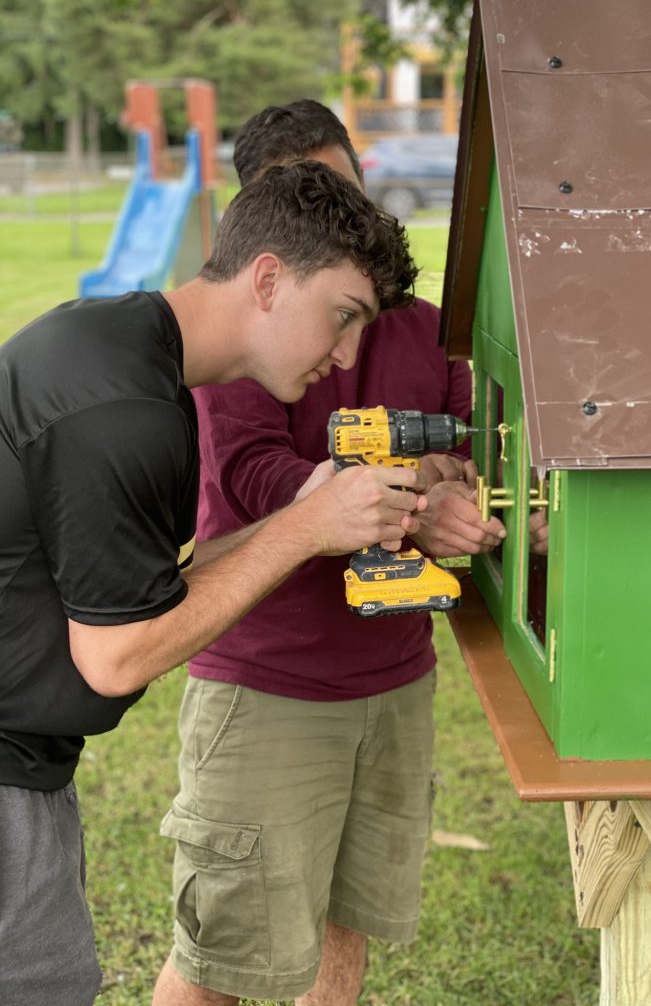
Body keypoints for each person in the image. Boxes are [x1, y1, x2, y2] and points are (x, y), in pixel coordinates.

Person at [0, 160, 425, 1006]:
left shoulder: (117, 348)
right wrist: (307, 528)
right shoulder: (126, 411)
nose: (346, 358)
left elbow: (153, 589)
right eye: (343, 318)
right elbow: (117, 658)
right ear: (267, 279)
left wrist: (302, 516)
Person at [153, 100, 521, 1006]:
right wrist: (405, 509)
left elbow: (484, 441)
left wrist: (459, 491)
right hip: (270, 686)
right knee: (221, 961)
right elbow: (253, 477)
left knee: (344, 929)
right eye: (303, 200)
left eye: (340, 191)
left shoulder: (433, 330)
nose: (334, 214)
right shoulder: (241, 349)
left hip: (394, 681)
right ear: (267, 243)